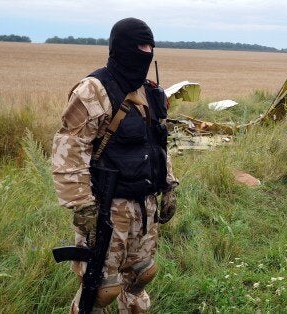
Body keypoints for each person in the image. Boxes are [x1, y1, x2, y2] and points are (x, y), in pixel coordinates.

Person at [51, 17, 178, 313]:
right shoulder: (93, 91)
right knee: (102, 291)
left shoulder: (151, 93)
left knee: (142, 275)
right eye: (139, 47)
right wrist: (83, 206)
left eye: (150, 47)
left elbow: (158, 145)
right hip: (109, 208)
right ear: (119, 48)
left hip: (145, 205)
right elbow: (69, 151)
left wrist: (169, 186)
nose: (145, 53)